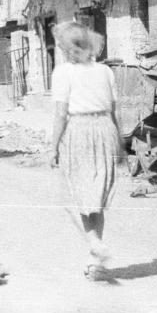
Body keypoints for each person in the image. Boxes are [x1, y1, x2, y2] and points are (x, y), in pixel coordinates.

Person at [48, 21, 122, 281]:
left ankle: (94, 243)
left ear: (68, 49)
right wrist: (120, 143)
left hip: (78, 130)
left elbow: (60, 114)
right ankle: (96, 261)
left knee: (78, 194)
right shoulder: (105, 72)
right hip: (105, 129)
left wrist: (53, 147)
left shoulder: (63, 73)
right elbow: (114, 111)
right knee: (97, 197)